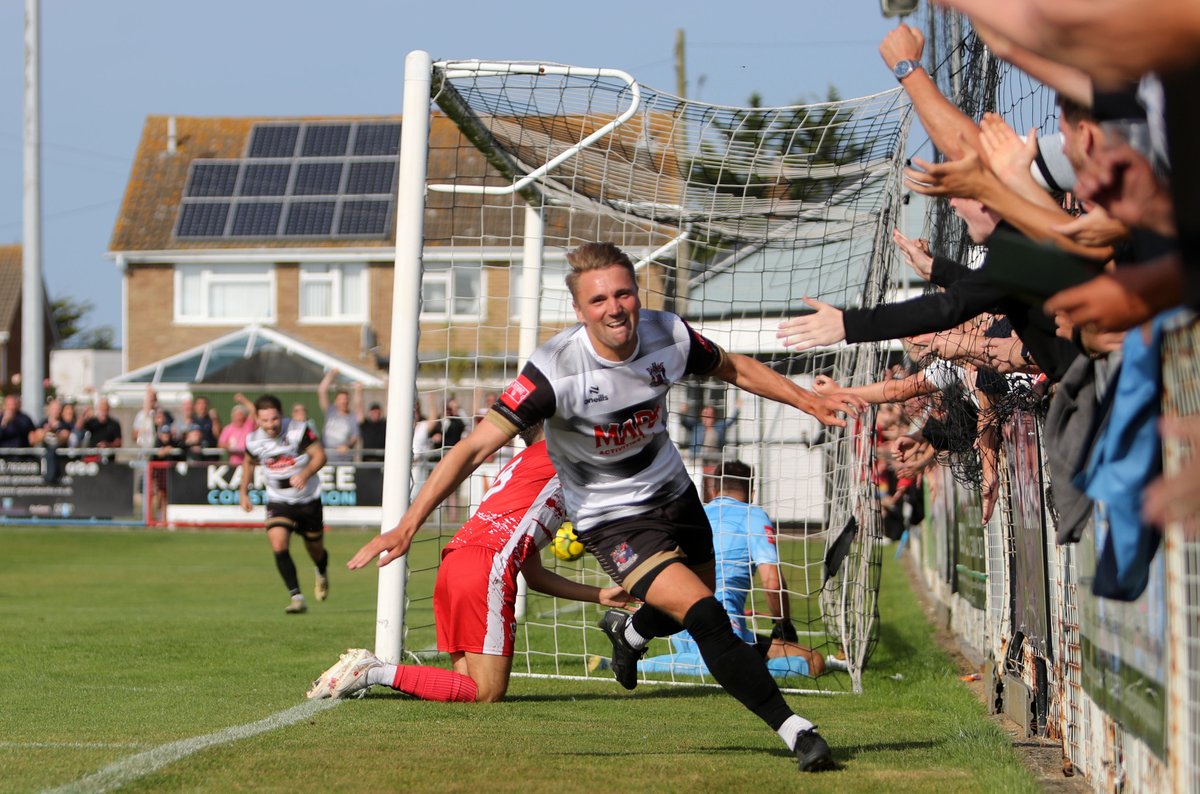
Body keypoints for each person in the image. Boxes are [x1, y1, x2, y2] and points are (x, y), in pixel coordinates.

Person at [347, 242, 860, 773]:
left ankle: (630, 632)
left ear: (637, 294)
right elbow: (474, 447)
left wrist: (809, 401)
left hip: (675, 494)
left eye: (623, 294)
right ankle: (797, 731)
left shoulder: (669, 333)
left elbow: (734, 368)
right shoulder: (554, 370)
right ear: (579, 309)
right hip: (614, 520)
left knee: (689, 607)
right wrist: (408, 526)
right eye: (598, 300)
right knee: (708, 616)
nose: (614, 308)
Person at [307, 422, 630, 703]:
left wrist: (600, 595)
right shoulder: (563, 453)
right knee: (487, 691)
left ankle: (375, 672)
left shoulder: (523, 466)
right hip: (485, 567)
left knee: (467, 687)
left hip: (457, 561)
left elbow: (534, 576)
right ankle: (373, 671)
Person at [635, 461, 830, 679]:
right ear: (753, 493)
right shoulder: (753, 515)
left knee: (813, 660)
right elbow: (772, 582)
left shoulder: (693, 515)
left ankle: (738, 663)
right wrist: (782, 623)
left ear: (713, 491)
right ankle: (633, 666)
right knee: (726, 666)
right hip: (718, 621)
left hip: (679, 622)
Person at [239, 394, 331, 615]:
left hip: (308, 499)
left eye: (274, 419)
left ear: (282, 415)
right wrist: (243, 492)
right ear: (257, 419)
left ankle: (321, 570)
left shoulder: (299, 430)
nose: (270, 424)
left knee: (315, 549)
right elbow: (248, 463)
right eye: (265, 420)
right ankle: (296, 597)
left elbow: (320, 456)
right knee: (278, 543)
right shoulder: (253, 440)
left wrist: (305, 474)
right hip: (278, 500)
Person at [678, 400, 741, 466]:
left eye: (710, 414)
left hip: (714, 461)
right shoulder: (696, 427)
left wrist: (737, 409)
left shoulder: (719, 426)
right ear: (701, 416)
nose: (707, 416)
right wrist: (682, 412)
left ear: (714, 416)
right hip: (697, 461)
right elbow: (683, 422)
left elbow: (730, 421)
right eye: (705, 414)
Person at [318, 369, 359, 463]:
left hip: (344, 461)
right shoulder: (330, 412)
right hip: (326, 459)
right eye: (340, 399)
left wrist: (347, 445)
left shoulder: (352, 417)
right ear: (336, 401)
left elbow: (355, 437)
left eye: (345, 399)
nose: (343, 402)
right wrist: (331, 374)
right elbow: (321, 391)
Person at [353, 383, 386, 463]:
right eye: (373, 412)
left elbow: (389, 405)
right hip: (367, 461)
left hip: (382, 462)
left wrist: (387, 388)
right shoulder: (365, 424)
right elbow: (358, 406)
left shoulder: (384, 424)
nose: (376, 414)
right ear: (369, 413)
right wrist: (358, 391)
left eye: (377, 412)